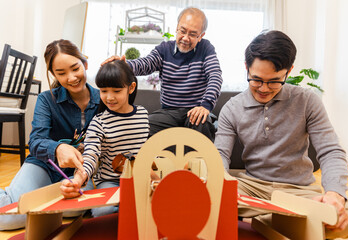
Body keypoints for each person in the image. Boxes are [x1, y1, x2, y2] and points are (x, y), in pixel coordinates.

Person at [214, 30, 348, 239]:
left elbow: (330, 151)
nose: (263, 89)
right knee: (204, 202)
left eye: (274, 81)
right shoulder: (232, 108)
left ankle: (263, 221)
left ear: (289, 71)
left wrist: (334, 195)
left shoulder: (308, 101)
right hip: (252, 189)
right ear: (246, 68)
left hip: (300, 192)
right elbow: (220, 154)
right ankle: (283, 221)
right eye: (256, 79)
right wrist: (224, 184)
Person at [0, 39, 100, 230]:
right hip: (43, 165)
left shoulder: (104, 100)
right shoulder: (47, 99)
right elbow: (36, 142)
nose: (71, 78)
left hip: (81, 173)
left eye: (75, 68)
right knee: (10, 218)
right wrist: (58, 148)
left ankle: (28, 195)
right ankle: (14, 195)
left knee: (73, 210)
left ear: (85, 64)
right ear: (53, 74)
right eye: (61, 73)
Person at [105, 7, 223, 142]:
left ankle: (201, 163)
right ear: (177, 28)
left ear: (201, 36)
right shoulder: (164, 49)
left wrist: (205, 106)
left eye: (192, 34)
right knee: (142, 128)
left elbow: (215, 76)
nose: (185, 38)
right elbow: (146, 63)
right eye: (182, 31)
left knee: (203, 123)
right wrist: (126, 65)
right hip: (168, 113)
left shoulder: (206, 49)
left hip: (195, 111)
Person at [60, 60, 149, 217]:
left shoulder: (143, 114)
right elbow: (90, 156)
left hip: (138, 179)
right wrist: (78, 180)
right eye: (104, 91)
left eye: (116, 91)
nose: (109, 97)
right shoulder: (99, 122)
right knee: (102, 211)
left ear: (131, 88)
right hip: (111, 181)